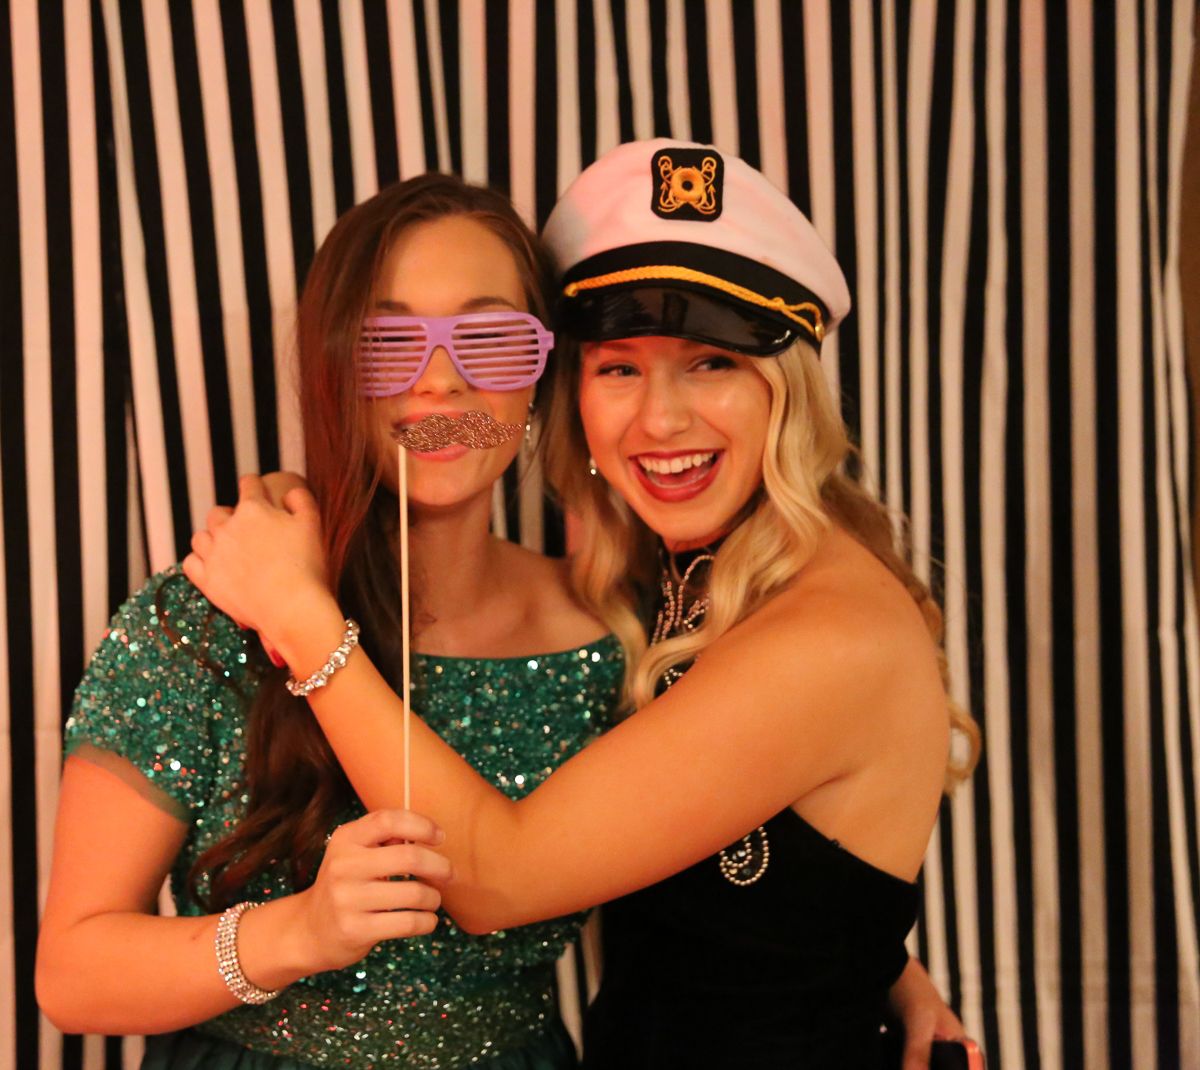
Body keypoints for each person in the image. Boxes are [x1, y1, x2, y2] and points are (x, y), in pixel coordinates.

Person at [185, 146, 979, 1066]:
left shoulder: (827, 631)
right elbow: (765, 887)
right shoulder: (672, 586)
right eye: (619, 368)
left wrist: (300, 619)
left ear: (790, 392)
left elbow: (495, 879)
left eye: (713, 362)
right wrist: (883, 963)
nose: (662, 420)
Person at [35, 173, 625, 1069]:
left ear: (542, 372)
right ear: (333, 372)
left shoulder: (609, 633)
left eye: (489, 339)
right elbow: (72, 975)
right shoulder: (209, 616)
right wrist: (298, 932)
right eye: (389, 344)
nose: (440, 381)